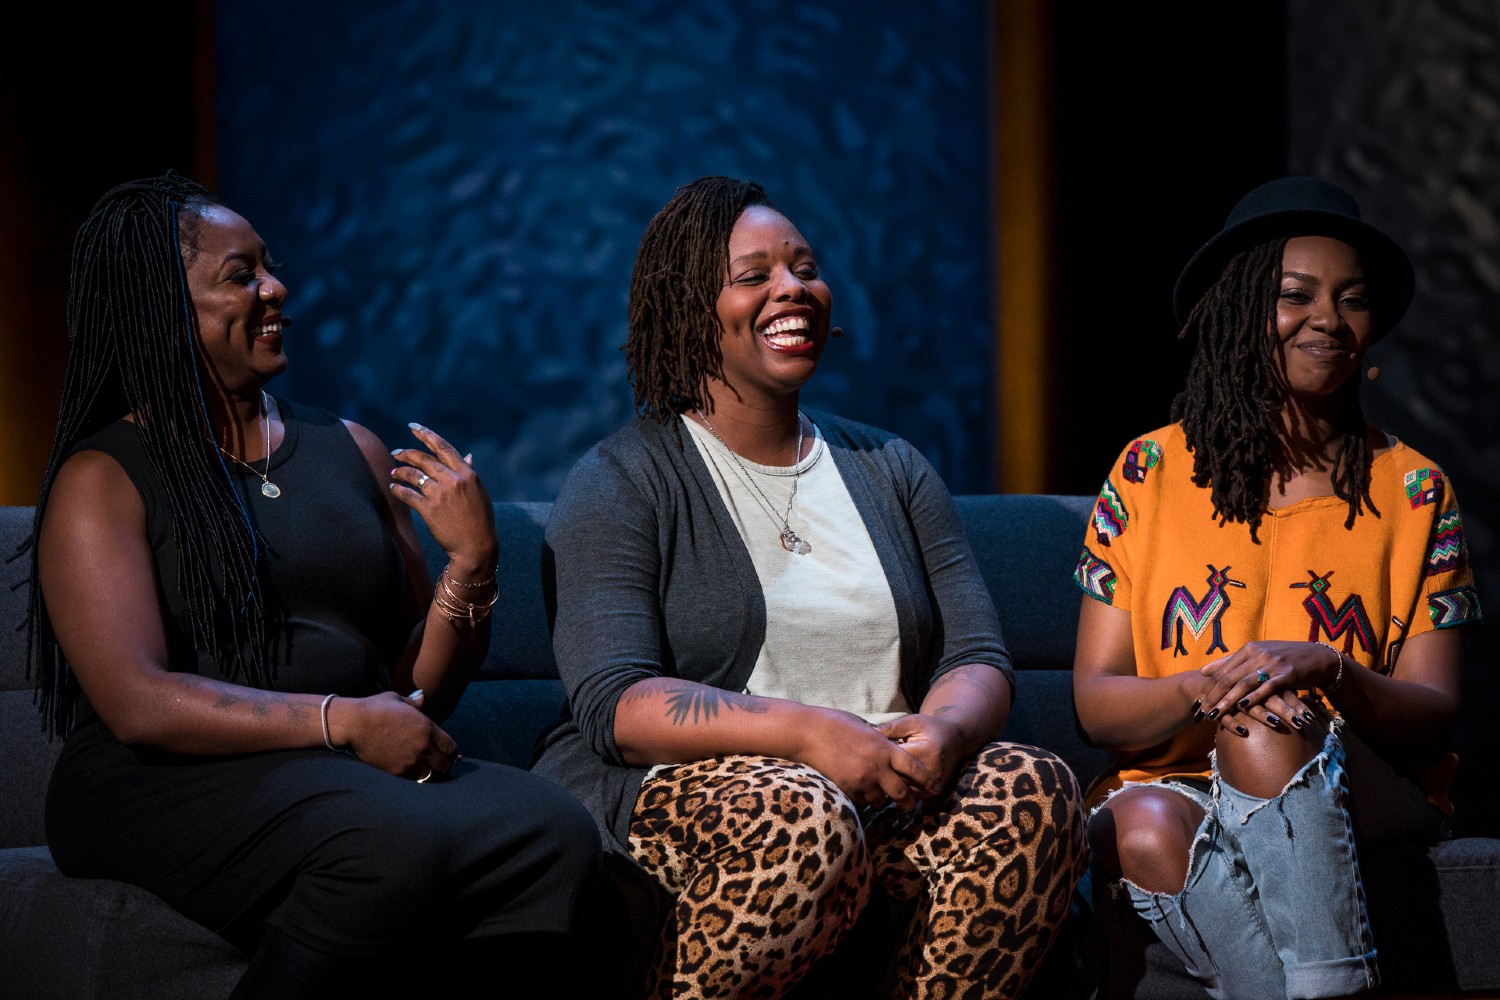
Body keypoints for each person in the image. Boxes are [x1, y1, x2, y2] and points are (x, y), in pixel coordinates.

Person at [26, 172, 611, 999]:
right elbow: (138, 703)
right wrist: (341, 723)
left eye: (268, 265)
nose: (277, 288)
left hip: (334, 767)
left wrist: (472, 567)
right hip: (156, 780)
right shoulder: (106, 477)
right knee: (384, 840)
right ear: (166, 311)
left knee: (550, 831)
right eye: (241, 275)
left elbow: (412, 695)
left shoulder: (352, 450)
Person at [535, 175, 1088, 999]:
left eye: (804, 268)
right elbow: (616, 705)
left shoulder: (890, 466)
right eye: (754, 276)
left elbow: (977, 654)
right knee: (804, 819)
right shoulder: (623, 479)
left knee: (1033, 793)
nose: (793, 289)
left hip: (887, 790)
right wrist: (806, 737)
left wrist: (941, 734)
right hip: (707, 796)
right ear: (691, 309)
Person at [1072, 176, 1484, 1000]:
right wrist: (1202, 686)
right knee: (1141, 824)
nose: (1328, 319)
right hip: (1181, 782)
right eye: (1295, 296)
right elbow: (1097, 702)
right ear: (1239, 312)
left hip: (1361, 782)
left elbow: (1434, 710)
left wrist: (1327, 668)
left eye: (1353, 300)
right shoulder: (1148, 472)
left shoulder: (1414, 489)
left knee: (1263, 721)